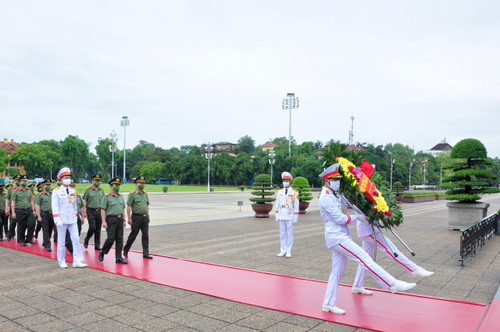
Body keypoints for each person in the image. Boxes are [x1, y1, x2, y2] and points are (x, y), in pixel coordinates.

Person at [319, 163, 416, 315]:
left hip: (341, 235)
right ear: (327, 181)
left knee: (337, 271)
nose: (338, 182)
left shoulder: (334, 195)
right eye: (335, 179)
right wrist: (358, 218)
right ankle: (391, 283)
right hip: (336, 236)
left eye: (339, 179)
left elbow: (346, 207)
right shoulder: (325, 197)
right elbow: (340, 218)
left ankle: (328, 304)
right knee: (363, 257)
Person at [352, 218, 433, 294]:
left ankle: (357, 285)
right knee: (391, 249)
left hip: (369, 229)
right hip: (368, 230)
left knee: (365, 260)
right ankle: (413, 269)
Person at [51, 167, 87, 268]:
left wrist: (76, 216)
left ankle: (77, 260)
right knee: (61, 241)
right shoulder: (56, 191)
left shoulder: (73, 190)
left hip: (72, 219)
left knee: (75, 239)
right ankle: (61, 260)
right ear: (61, 180)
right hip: (61, 219)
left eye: (69, 177)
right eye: (66, 177)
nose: (68, 179)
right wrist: (57, 219)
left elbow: (74, 205)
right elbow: (55, 206)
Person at [99, 177, 127, 264]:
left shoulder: (120, 197)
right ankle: (103, 251)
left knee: (119, 238)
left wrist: (124, 220)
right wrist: (103, 221)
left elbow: (123, 209)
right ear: (111, 187)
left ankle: (118, 257)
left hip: (119, 219)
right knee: (111, 238)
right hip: (111, 219)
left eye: (118, 185)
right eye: (116, 185)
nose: (117, 186)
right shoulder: (107, 197)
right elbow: (103, 209)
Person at [123, 176, 153, 259]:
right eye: (140, 183)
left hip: (144, 217)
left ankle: (146, 253)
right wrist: (129, 218)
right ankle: (125, 250)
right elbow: (128, 206)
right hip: (136, 217)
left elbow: (147, 206)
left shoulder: (145, 194)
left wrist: (148, 215)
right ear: (136, 184)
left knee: (145, 235)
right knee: (133, 235)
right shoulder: (132, 194)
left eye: (143, 183)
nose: (142, 184)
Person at [274, 172, 299, 258]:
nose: (285, 182)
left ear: (290, 181)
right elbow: (277, 204)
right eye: (284, 180)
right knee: (282, 234)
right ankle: (282, 250)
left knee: (289, 235)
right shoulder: (280, 191)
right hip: (281, 215)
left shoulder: (295, 192)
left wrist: (295, 218)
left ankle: (289, 251)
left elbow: (296, 207)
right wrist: (276, 215)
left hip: (290, 216)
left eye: (287, 180)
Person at [10, 175, 36, 245]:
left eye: (26, 181)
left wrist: (33, 210)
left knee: (32, 224)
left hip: (28, 210)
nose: (25, 182)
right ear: (20, 182)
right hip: (20, 210)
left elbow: (31, 201)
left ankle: (29, 239)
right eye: (24, 181)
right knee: (21, 226)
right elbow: (13, 202)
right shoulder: (15, 192)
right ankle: (21, 240)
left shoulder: (29, 191)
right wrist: (13, 212)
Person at [82, 174, 104, 251]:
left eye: (98, 180)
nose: (97, 182)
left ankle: (97, 245)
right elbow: (84, 200)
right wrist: (84, 211)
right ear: (92, 181)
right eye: (95, 180)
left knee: (98, 229)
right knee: (92, 227)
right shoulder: (88, 190)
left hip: (99, 211)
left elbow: (104, 202)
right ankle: (87, 239)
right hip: (91, 211)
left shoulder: (101, 190)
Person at [65, 180, 85, 254]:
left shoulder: (78, 196)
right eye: (71, 186)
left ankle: (71, 245)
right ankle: (71, 249)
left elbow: (81, 207)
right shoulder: (65, 196)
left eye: (73, 186)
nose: (73, 187)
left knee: (77, 233)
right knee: (70, 234)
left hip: (77, 217)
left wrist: (83, 217)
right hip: (68, 217)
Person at [36, 179, 55, 252]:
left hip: (52, 213)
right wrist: (39, 216)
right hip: (44, 213)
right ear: (43, 186)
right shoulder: (40, 195)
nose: (48, 186)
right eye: (47, 185)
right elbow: (37, 205)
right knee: (45, 229)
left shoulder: (53, 194)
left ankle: (45, 241)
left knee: (50, 229)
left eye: (49, 185)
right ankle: (48, 244)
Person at [5, 175, 21, 242]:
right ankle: (10, 234)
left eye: (19, 180)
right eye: (16, 180)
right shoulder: (11, 189)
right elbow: (7, 199)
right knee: (12, 223)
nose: (18, 182)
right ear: (14, 181)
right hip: (12, 208)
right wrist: (7, 208)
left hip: (20, 208)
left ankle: (20, 238)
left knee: (20, 224)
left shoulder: (22, 189)